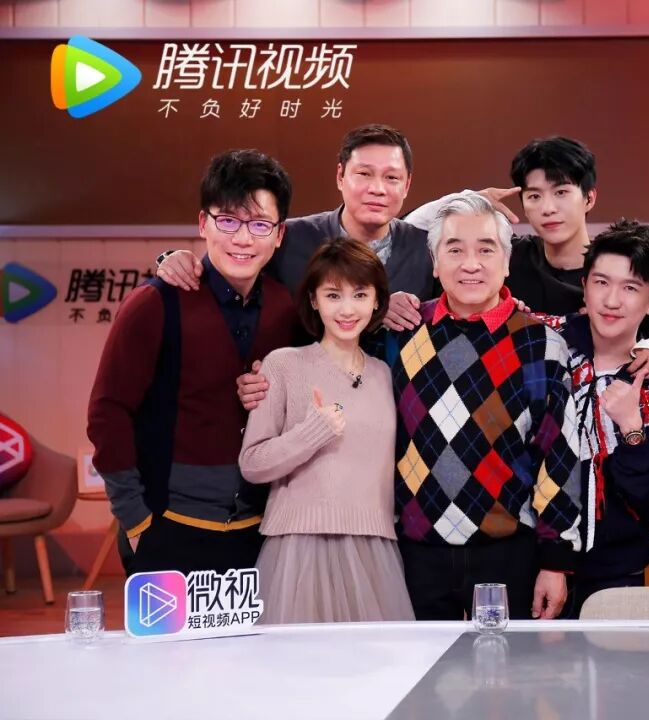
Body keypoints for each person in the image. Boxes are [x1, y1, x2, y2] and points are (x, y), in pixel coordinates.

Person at [88, 149, 296, 575]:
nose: (243, 239)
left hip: (260, 532)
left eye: (259, 225)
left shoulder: (286, 308)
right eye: (228, 221)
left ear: (279, 235)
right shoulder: (154, 303)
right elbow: (107, 412)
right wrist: (136, 520)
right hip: (167, 525)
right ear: (203, 224)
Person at [377, 192, 582, 621]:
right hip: (414, 555)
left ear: (506, 262)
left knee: (507, 665)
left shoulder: (541, 343)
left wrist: (556, 560)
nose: (470, 264)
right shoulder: (401, 334)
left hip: (509, 554)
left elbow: (559, 456)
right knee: (420, 665)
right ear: (435, 263)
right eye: (454, 250)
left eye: (486, 250)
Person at [238, 239, 414, 623]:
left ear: (376, 302)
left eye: (360, 295)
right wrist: (313, 432)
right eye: (333, 295)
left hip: (374, 548)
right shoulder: (284, 364)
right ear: (314, 301)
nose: (347, 309)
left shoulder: (385, 374)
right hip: (298, 548)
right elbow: (252, 463)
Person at [397, 136, 649, 340]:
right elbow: (407, 230)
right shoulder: (504, 258)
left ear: (589, 198)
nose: (548, 208)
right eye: (534, 196)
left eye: (561, 193)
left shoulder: (613, 273)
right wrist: (466, 199)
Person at [544, 219, 649, 618]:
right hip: (534, 561)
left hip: (617, 572)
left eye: (630, 288)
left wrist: (631, 426)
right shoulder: (545, 347)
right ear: (584, 285)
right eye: (601, 282)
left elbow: (648, 493)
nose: (612, 300)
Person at [156, 123, 437, 300]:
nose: (377, 189)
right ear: (340, 176)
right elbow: (222, 274)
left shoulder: (427, 248)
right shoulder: (289, 237)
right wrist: (173, 260)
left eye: (391, 178)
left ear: (407, 185)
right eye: (364, 174)